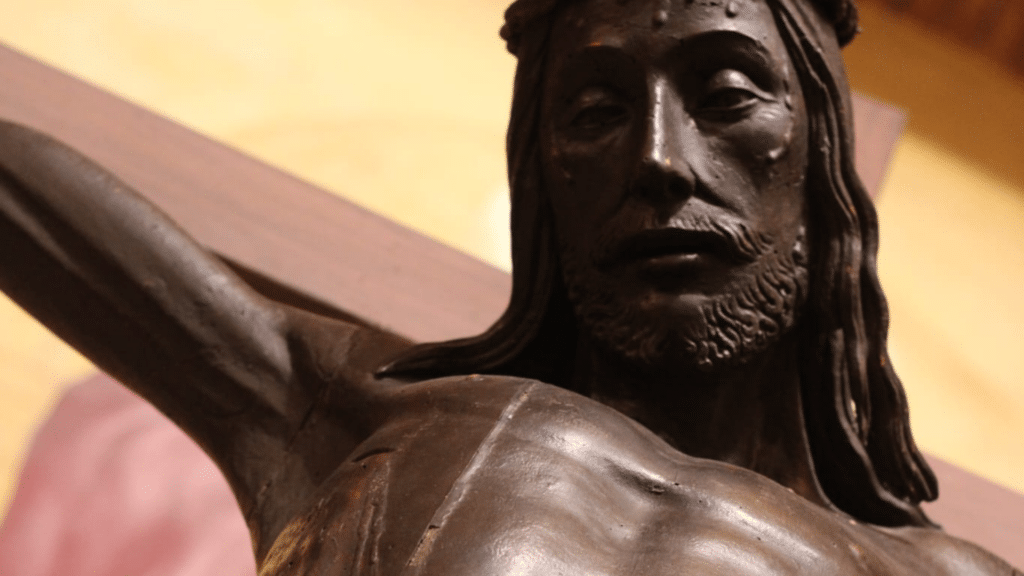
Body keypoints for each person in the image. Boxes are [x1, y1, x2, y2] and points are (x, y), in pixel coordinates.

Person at [0, 0, 1018, 574]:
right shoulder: (364, 410)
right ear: (543, 185)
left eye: (724, 94)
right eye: (594, 111)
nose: (660, 160)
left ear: (822, 156)